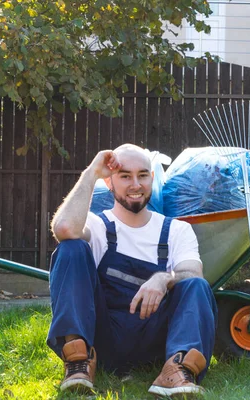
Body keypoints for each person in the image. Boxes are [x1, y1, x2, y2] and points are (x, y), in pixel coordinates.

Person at [47, 144, 217, 397]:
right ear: (110, 182)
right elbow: (63, 230)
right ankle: (78, 362)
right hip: (102, 336)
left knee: (196, 285)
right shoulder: (97, 225)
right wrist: (92, 172)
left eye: (143, 175)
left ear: (152, 178)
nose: (136, 184)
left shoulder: (176, 230)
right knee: (71, 248)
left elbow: (193, 274)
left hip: (157, 340)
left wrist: (164, 278)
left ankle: (177, 370)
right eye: (125, 176)